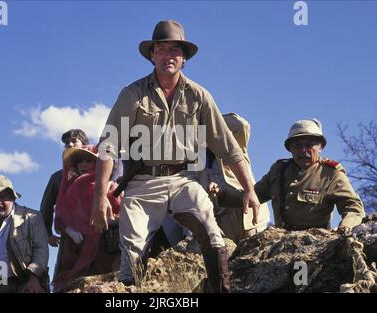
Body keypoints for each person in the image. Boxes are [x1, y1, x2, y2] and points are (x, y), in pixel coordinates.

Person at [90, 20, 260, 293]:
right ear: (152, 54)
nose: (168, 55)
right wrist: (99, 198)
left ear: (183, 58)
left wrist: (249, 189)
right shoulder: (132, 94)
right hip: (142, 182)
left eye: (175, 50)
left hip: (184, 179)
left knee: (211, 231)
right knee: (131, 254)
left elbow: (228, 147)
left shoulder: (199, 96)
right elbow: (108, 146)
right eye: (162, 48)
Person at [218, 118, 365, 233]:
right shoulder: (279, 170)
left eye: (309, 144)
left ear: (320, 147)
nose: (303, 150)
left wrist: (346, 226)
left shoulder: (331, 174)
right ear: (290, 149)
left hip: (315, 243)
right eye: (297, 145)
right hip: (280, 240)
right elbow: (252, 197)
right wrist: (220, 194)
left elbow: (353, 206)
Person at [52, 145, 121, 292]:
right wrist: (69, 230)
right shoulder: (70, 188)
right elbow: (61, 216)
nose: (84, 164)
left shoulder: (111, 186)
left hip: (105, 250)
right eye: (80, 161)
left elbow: (123, 214)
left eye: (89, 161)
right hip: (76, 251)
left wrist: (112, 221)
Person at [204, 113, 270, 244]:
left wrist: (207, 117)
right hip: (223, 222)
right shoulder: (192, 160)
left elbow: (241, 125)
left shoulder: (234, 145)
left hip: (251, 217)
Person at [40, 128, 89, 248]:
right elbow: (46, 207)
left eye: (74, 141)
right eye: (66, 143)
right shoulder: (58, 177)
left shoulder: (100, 171)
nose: (69, 144)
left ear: (84, 145)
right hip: (70, 236)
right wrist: (48, 233)